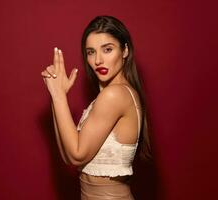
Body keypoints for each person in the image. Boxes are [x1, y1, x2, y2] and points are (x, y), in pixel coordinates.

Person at [41, 15, 152, 200]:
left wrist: (59, 96)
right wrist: (56, 95)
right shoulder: (110, 95)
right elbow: (69, 156)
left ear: (125, 50)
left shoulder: (115, 95)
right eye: (91, 52)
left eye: (107, 49)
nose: (98, 60)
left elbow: (76, 155)